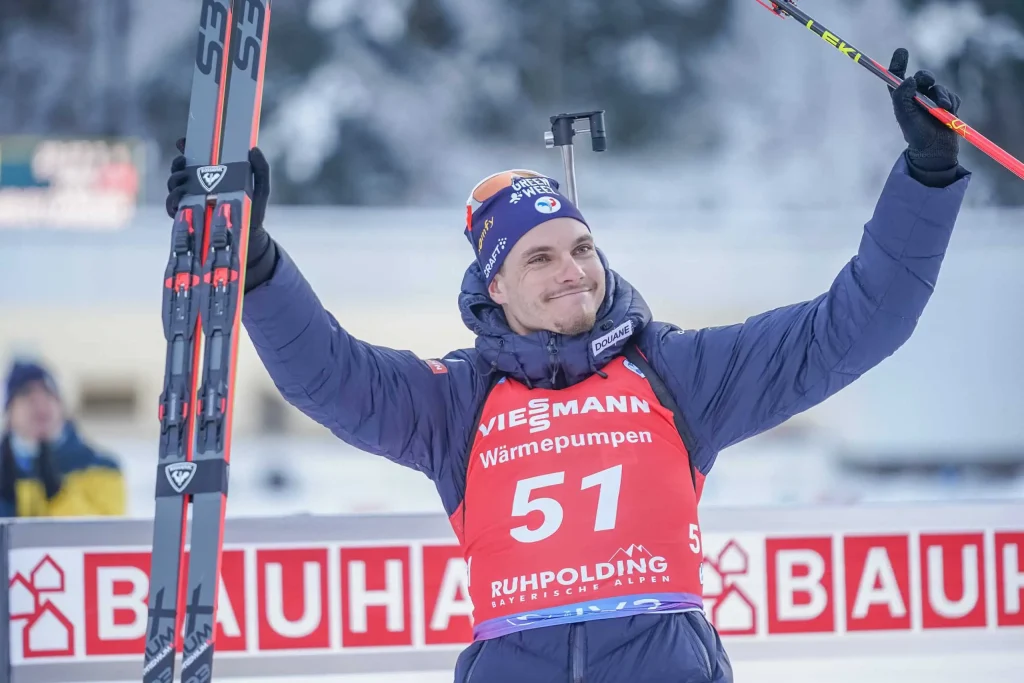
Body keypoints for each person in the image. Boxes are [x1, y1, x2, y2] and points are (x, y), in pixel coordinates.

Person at [166, 49, 970, 683]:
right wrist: (259, 262)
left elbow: (851, 328)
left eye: (583, 247)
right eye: (541, 257)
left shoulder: (675, 370)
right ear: (497, 284)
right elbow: (332, 376)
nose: (573, 270)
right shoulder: (458, 401)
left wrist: (927, 178)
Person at [1, 359, 126, 518]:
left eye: (47, 392)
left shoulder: (102, 468)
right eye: (26, 393)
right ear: (9, 413)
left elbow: (108, 536)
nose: (40, 403)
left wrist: (58, 494)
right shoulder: (5, 472)